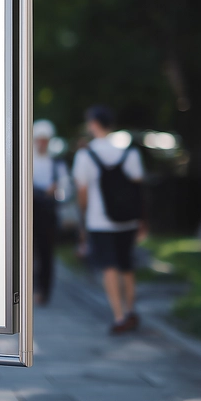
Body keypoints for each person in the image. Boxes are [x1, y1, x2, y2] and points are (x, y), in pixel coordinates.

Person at [73, 105, 145, 334]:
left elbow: (82, 191)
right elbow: (138, 187)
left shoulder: (85, 155)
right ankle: (131, 310)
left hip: (99, 220)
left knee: (109, 267)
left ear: (93, 124)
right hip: (127, 220)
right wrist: (142, 218)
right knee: (127, 265)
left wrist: (82, 218)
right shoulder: (130, 153)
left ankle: (119, 315)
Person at [33, 119, 70, 306]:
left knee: (46, 254)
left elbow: (65, 191)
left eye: (44, 140)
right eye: (38, 139)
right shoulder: (26, 160)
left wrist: (55, 190)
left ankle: (43, 291)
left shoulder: (56, 163)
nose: (41, 143)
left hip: (47, 213)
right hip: (28, 214)